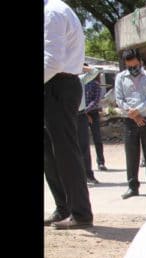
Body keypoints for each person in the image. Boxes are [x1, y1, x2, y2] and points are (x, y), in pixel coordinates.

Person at [44, 0, 93, 229]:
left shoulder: (53, 12)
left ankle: (81, 213)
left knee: (65, 151)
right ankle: (63, 208)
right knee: (49, 153)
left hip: (59, 85)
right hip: (52, 85)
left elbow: (52, 61)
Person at [115, 48, 146, 199]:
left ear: (140, 62)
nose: (133, 69)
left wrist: (139, 111)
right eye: (129, 67)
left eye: (135, 66)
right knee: (131, 155)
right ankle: (132, 187)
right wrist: (133, 115)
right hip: (129, 121)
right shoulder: (120, 78)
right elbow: (119, 99)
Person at [77, 64, 101, 185]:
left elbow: (95, 71)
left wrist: (79, 65)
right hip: (66, 116)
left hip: (80, 115)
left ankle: (89, 175)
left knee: (84, 147)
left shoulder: (80, 79)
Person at [84, 73, 106, 171]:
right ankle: (85, 165)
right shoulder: (79, 83)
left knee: (97, 138)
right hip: (81, 114)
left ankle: (101, 162)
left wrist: (85, 111)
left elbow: (96, 100)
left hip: (92, 113)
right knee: (83, 140)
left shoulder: (95, 84)